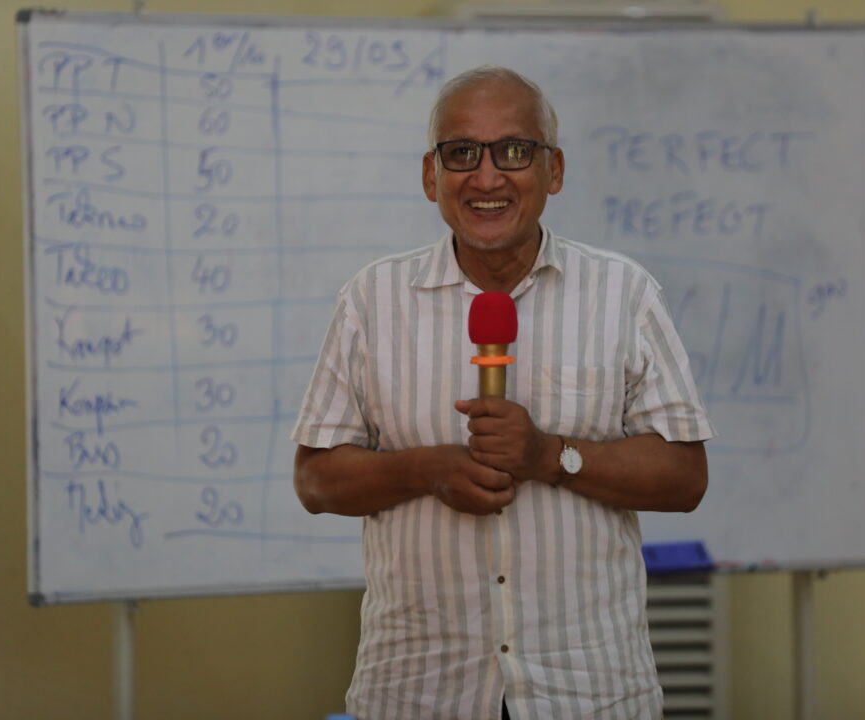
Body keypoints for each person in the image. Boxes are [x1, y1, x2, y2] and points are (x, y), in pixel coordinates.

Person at [292, 66, 714, 720]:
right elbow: (316, 481)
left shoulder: (623, 295)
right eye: (462, 153)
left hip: (588, 693)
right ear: (431, 175)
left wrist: (550, 455)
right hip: (420, 693)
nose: (487, 178)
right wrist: (427, 471)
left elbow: (685, 476)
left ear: (554, 170)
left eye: (514, 151)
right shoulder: (371, 301)